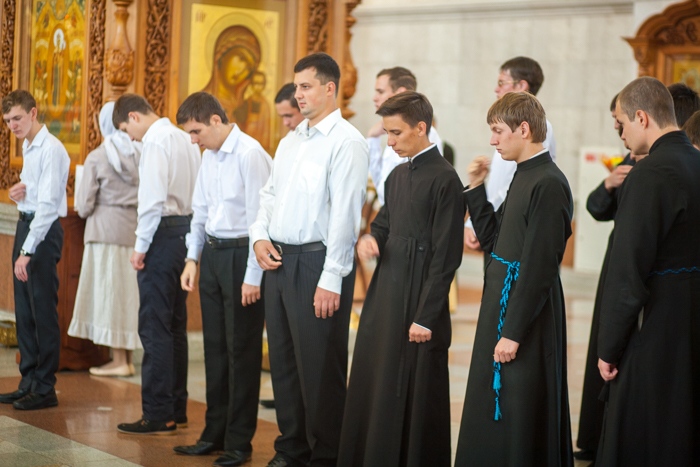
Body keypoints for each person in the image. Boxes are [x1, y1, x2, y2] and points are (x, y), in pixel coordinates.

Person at [249, 52, 368, 467]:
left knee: (319, 369)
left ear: (329, 88)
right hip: (280, 261)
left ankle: (327, 457)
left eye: (306, 86)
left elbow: (345, 216)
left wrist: (332, 277)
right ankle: (292, 449)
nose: (297, 94)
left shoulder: (346, 141)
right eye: (297, 86)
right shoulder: (291, 141)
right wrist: (259, 236)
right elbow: (269, 197)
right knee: (283, 363)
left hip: (319, 264)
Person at [338, 92, 464, 466]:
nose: (389, 141)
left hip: (420, 297)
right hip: (387, 291)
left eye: (396, 132)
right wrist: (372, 239)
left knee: (414, 384)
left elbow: (447, 256)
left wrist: (426, 316)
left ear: (420, 128)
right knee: (377, 376)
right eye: (387, 132)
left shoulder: (446, 179)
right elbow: (384, 223)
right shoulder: (396, 175)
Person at [455, 92, 574, 466]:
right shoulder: (523, 174)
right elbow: (494, 241)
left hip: (525, 313)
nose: (492, 141)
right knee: (496, 402)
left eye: (498, 131)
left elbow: (540, 267)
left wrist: (513, 331)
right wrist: (476, 187)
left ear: (524, 129)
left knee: (520, 404)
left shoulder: (549, 183)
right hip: (502, 305)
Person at [596, 77, 700, 466]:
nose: (621, 134)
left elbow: (627, 272)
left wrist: (608, 348)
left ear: (642, 118)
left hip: (657, 324)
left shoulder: (649, 173)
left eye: (622, 123)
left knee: (645, 427)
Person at [172, 92, 271, 466]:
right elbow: (200, 212)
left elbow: (261, 219)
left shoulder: (250, 154)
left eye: (196, 131)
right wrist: (192, 259)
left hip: (243, 255)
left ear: (216, 120)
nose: (193, 140)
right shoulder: (208, 155)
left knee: (241, 351)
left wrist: (253, 276)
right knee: (214, 349)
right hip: (213, 256)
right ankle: (213, 433)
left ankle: (239, 442)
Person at [112, 94, 200, 435]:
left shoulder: (155, 141)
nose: (130, 138)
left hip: (161, 236)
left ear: (134, 117)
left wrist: (140, 247)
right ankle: (177, 408)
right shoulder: (184, 137)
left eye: (126, 129)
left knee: (154, 325)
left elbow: (151, 201)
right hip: (185, 233)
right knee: (175, 325)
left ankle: (158, 412)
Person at [0, 90, 69, 410]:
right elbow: (36, 195)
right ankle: (28, 381)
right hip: (26, 225)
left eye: (16, 118)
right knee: (25, 310)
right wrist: (19, 194)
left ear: (33, 112)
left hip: (42, 233)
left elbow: (49, 206)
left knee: (41, 310)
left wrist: (27, 251)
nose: (12, 125)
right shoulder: (28, 145)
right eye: (7, 121)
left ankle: (44, 387)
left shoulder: (51, 149)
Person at [67, 101, 141, 377]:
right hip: (134, 232)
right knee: (127, 296)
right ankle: (127, 358)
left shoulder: (98, 156)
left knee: (110, 296)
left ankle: (118, 360)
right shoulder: (140, 153)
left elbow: (84, 205)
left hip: (105, 232)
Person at [464, 56, 556, 250]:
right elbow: (498, 184)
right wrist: (474, 222)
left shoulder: (538, 128)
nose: (496, 89)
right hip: (493, 223)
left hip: (506, 230)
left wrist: (482, 222)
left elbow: (511, 188)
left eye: (501, 83)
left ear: (521, 85)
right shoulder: (509, 131)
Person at [366, 67, 443, 206]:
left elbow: (423, 191)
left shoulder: (426, 134)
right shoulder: (394, 137)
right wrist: (372, 138)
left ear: (400, 92)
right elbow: (382, 186)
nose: (374, 98)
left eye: (380, 92)